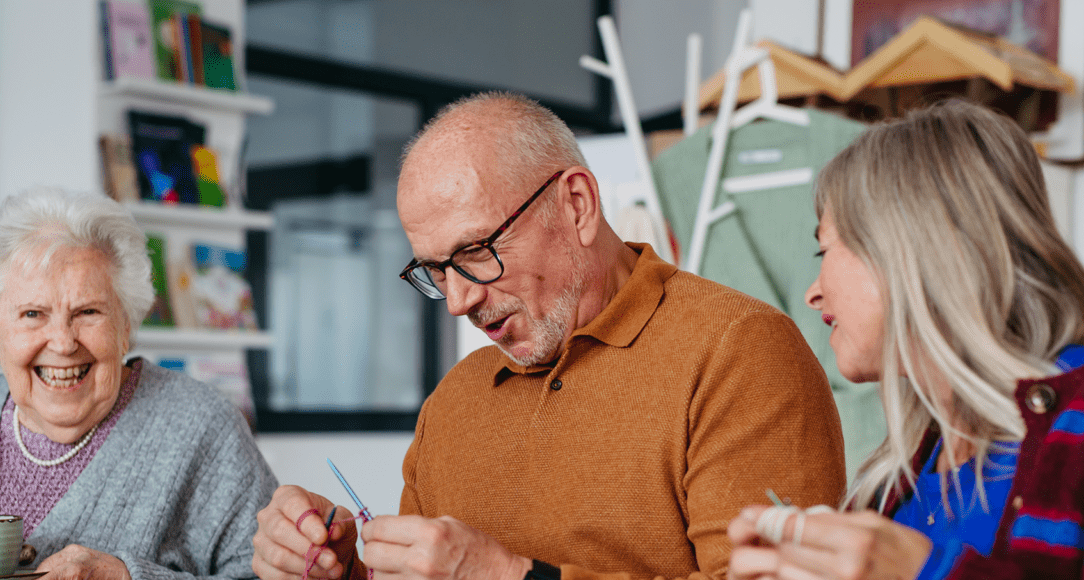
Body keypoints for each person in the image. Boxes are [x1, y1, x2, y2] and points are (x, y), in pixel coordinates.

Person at [251, 93, 846, 580]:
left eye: (476, 252)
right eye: (435, 271)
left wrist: (511, 577)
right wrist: (343, 569)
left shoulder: (739, 352)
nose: (457, 302)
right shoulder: (454, 401)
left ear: (577, 205)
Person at [725, 99, 1084, 580]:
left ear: (911, 249)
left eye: (825, 251)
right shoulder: (888, 489)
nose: (812, 293)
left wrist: (927, 574)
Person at [0, 188, 278, 580]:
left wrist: (129, 576)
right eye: (33, 314)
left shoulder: (200, 427)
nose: (62, 341)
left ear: (125, 328)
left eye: (88, 312)